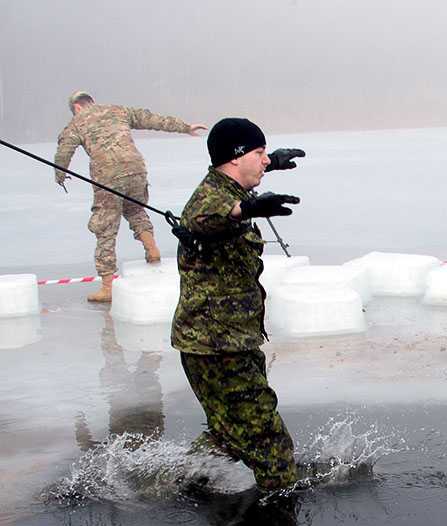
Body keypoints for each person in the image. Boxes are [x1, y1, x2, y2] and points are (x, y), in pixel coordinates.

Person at [170, 117, 305, 491]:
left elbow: (227, 202)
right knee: (269, 443)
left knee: (228, 430)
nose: (265, 161)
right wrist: (244, 212)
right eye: (259, 153)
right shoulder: (214, 198)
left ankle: (187, 485)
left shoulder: (228, 186)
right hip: (218, 347)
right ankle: (275, 517)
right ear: (235, 157)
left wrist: (271, 163)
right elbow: (205, 216)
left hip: (227, 341)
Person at [53, 91, 208, 302]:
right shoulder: (118, 110)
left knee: (105, 227)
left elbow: (64, 150)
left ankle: (107, 287)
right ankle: (152, 250)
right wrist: (185, 127)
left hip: (107, 176)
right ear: (91, 102)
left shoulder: (77, 123)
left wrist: (60, 174)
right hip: (136, 169)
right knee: (135, 210)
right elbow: (151, 119)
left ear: (77, 108)